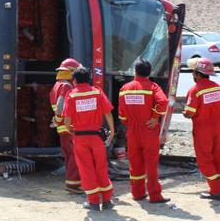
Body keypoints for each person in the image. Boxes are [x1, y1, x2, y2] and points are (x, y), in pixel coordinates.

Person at [63, 66, 115, 211]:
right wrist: (112, 132)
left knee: (86, 169)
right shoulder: (97, 92)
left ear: (74, 81)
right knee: (101, 167)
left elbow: (67, 120)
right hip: (97, 137)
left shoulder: (71, 95)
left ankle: (93, 202)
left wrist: (70, 129)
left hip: (80, 138)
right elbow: (108, 113)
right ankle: (106, 200)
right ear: (88, 78)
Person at [118, 59, 170, 203]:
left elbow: (121, 114)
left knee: (135, 164)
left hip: (132, 131)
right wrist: (155, 117)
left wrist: (129, 123)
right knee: (151, 165)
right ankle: (155, 196)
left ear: (135, 71)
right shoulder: (153, 87)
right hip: (149, 130)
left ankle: (138, 193)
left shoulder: (124, 89)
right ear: (149, 72)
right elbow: (164, 102)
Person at [183, 57, 220, 200]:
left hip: (203, 130)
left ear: (197, 73)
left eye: (193, 72)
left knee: (204, 160)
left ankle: (215, 190)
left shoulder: (195, 90)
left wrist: (186, 113)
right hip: (216, 128)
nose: (192, 75)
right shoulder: (217, 87)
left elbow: (189, 112)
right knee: (217, 158)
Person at [49, 58, 82, 193]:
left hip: (62, 128)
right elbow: (61, 104)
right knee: (75, 155)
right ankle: (73, 185)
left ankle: (71, 181)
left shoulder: (56, 86)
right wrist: (58, 118)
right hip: (68, 127)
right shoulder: (66, 86)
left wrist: (57, 120)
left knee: (69, 156)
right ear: (71, 72)